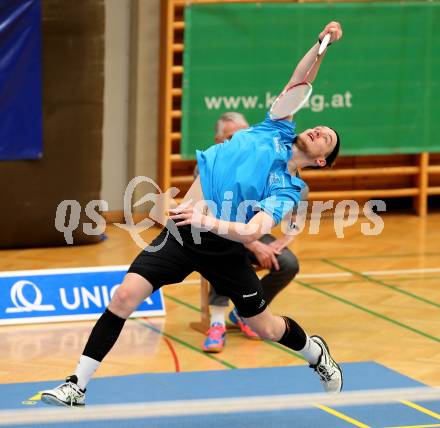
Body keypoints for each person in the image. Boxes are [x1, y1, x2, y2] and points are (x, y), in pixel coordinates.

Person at [41, 21, 343, 407]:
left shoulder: (287, 188)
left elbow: (254, 228)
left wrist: (207, 221)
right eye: (320, 126)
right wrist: (322, 44)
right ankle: (76, 386)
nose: (319, 130)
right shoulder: (276, 126)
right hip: (182, 234)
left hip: (221, 245)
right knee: (124, 296)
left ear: (320, 161)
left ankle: (316, 355)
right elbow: (301, 80)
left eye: (327, 138)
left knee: (263, 326)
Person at [198, 112, 305, 353]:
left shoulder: (266, 164)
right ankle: (216, 324)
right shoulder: (209, 162)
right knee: (223, 250)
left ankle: (244, 313)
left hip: (250, 233)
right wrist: (253, 244)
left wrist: (281, 241)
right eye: (234, 135)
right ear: (219, 140)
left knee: (288, 262)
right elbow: (209, 218)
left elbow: (295, 212)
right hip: (215, 234)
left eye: (247, 132)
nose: (244, 138)